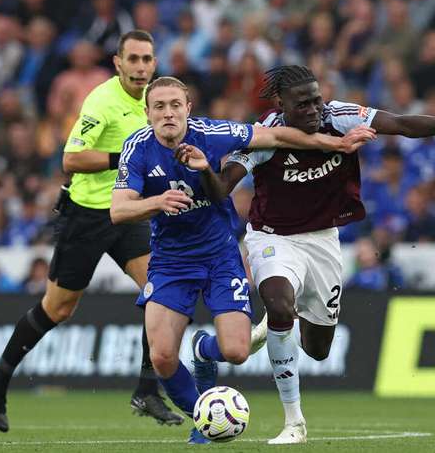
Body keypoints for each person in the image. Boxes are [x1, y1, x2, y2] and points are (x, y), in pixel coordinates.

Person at [195, 65, 435, 444]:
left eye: (317, 100)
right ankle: (294, 421)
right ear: (282, 105)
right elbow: (223, 186)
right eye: (304, 104)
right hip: (272, 238)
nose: (314, 109)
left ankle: (269, 330)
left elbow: (402, 124)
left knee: (318, 350)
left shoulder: (340, 116)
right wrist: (201, 170)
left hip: (324, 241)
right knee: (280, 305)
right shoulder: (264, 136)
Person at [111, 76, 374, 444]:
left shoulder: (215, 133)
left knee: (235, 351)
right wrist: (158, 202)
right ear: (147, 113)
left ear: (188, 108)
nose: (167, 113)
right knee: (163, 358)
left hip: (220, 256)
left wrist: (337, 143)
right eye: (159, 107)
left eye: (174, 105)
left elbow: (279, 136)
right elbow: (118, 211)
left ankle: (204, 349)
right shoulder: (137, 147)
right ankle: (204, 416)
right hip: (171, 261)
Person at [0, 31, 182, 432]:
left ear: (155, 64)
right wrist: (125, 155)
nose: (141, 67)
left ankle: (147, 389)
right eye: (134, 60)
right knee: (59, 308)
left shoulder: (157, 101)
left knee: (163, 291)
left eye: (147, 60)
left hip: (129, 212)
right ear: (118, 63)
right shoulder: (102, 101)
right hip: (88, 214)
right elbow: (71, 159)